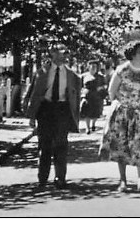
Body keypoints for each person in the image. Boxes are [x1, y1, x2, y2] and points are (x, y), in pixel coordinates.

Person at [101, 41, 140, 193]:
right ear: (132, 54)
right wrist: (121, 105)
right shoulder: (122, 70)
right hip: (123, 113)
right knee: (121, 146)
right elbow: (111, 92)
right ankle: (123, 180)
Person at [26, 42, 81, 189]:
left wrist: (75, 117)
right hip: (45, 110)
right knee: (44, 146)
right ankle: (42, 179)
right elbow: (33, 94)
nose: (64, 56)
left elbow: (75, 97)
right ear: (53, 54)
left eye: (65, 53)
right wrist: (31, 116)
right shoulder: (42, 72)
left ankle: (60, 178)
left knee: (61, 145)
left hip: (62, 110)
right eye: (61, 53)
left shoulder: (71, 75)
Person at [80, 61, 107, 134]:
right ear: (88, 67)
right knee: (86, 112)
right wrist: (82, 92)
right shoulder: (83, 76)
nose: (93, 68)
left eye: (94, 67)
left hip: (97, 97)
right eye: (91, 66)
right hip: (87, 96)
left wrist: (101, 88)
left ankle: (93, 124)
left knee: (96, 113)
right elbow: (80, 86)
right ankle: (87, 128)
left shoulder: (101, 77)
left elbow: (105, 85)